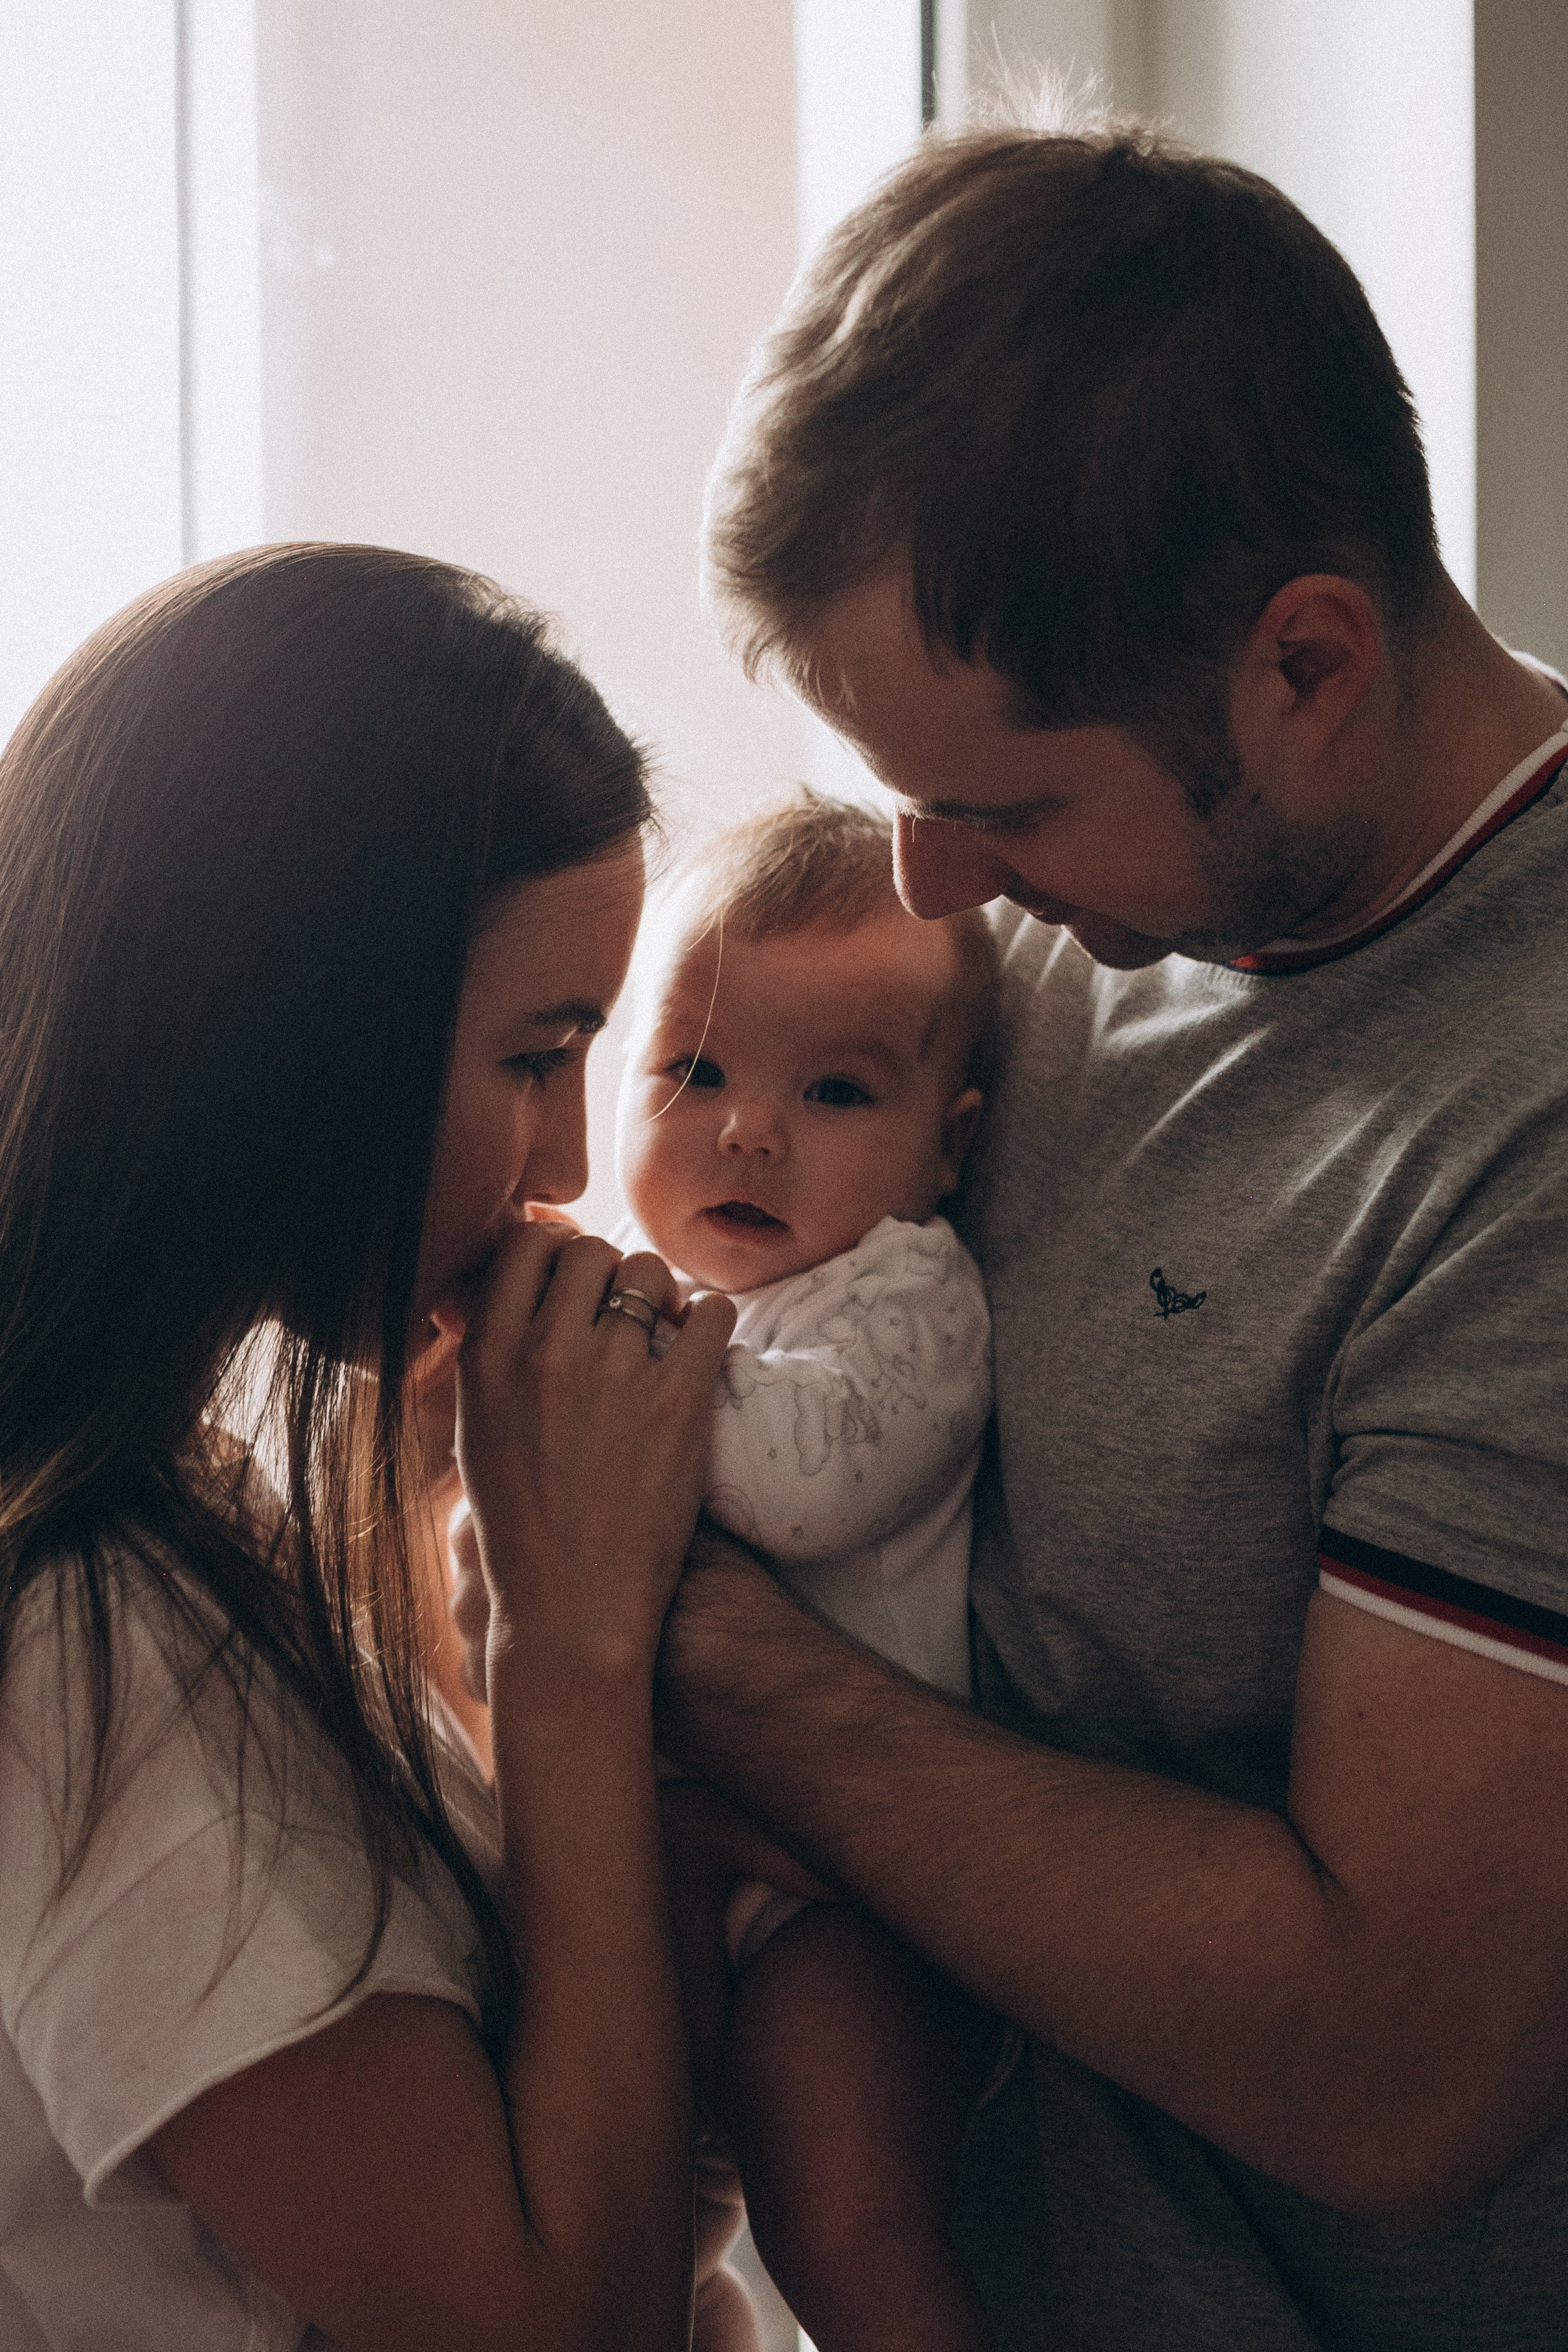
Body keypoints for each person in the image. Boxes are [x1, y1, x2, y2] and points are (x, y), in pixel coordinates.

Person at [653, 115, 1568, 2348]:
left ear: (1310, 662)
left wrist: (692, 1644)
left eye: (1001, 802)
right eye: (903, 801)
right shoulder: (1046, 930)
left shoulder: (1524, 1116)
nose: (936, 887)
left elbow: (1399, 2059)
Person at [0, 541, 744, 2350]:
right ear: (292, 1035)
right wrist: (569, 1653)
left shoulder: (182, 1522)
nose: (567, 1163)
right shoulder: (88, 1643)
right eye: (534, 1053)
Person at [453, 792, 1005, 2350]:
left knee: (843, 2223)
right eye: (693, 1072)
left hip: (850, 1892)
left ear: (944, 1146)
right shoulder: (696, 1297)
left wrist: (599, 1362)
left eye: (833, 1090)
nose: (748, 1130)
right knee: (637, 2185)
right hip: (688, 1844)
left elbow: (804, 1483)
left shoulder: (905, 1292)